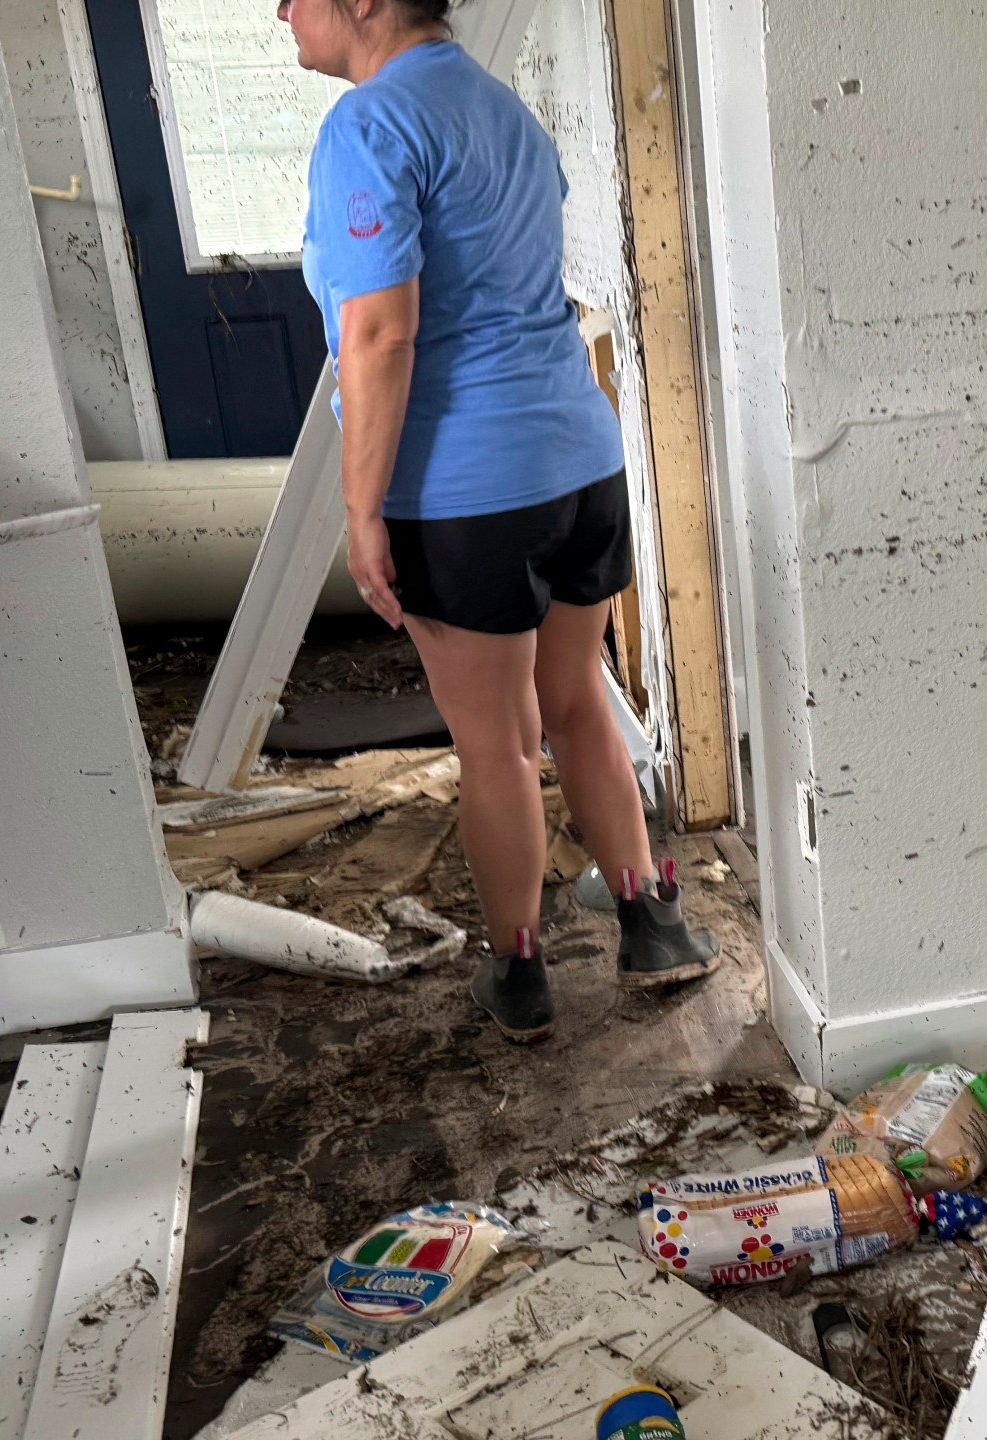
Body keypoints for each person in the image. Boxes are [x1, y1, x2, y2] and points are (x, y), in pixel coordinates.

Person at [285, 0, 719, 1042]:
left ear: (362, 3)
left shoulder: (369, 127)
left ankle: (518, 972)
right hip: (578, 460)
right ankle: (650, 922)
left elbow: (380, 335)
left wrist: (362, 514)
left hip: (465, 490)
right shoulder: (505, 112)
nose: (280, 13)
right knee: (572, 703)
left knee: (495, 746)